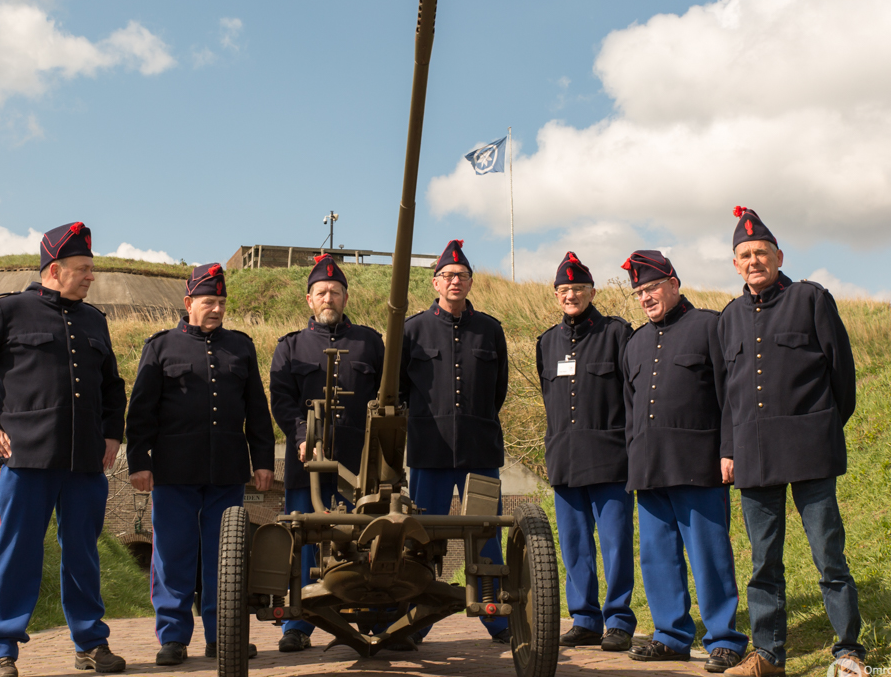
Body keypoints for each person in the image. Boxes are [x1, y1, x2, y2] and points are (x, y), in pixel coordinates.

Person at [0, 222, 127, 677]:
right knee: (17, 552)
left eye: (91, 269)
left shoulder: (94, 320)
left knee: (83, 554)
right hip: (25, 458)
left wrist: (111, 435)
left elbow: (112, 386)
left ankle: (89, 642)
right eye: (83, 269)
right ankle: (1, 650)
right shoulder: (9, 311)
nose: (90, 277)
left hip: (85, 462)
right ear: (54, 269)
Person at [717, 207, 865, 677]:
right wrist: (728, 448)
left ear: (778, 256)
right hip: (754, 456)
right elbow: (727, 396)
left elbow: (841, 373)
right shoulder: (729, 318)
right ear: (735, 264)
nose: (754, 259)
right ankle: (768, 652)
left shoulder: (810, 298)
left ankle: (847, 649)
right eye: (745, 254)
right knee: (763, 563)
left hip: (809, 449)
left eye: (761, 252)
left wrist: (821, 426)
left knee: (829, 555)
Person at [126, 263, 274, 665]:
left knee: (224, 558)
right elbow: (141, 412)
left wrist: (263, 460)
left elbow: (257, 410)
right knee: (173, 555)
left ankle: (221, 637)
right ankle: (173, 638)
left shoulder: (240, 347)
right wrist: (139, 462)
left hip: (226, 470)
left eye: (222, 302)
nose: (217, 309)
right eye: (209, 302)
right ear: (189, 302)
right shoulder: (160, 347)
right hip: (174, 470)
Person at [620, 250, 748, 672]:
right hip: (649, 466)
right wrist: (632, 460)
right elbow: (629, 409)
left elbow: (730, 395)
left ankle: (724, 639)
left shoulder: (710, 326)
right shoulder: (635, 342)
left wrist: (728, 450)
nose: (646, 297)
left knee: (709, 554)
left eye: (652, 287)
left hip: (699, 464)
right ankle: (671, 635)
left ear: (674, 283)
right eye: (639, 291)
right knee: (657, 557)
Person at [269, 254, 384, 652]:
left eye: (335, 292)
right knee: (303, 540)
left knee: (361, 541)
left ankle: (359, 618)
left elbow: (388, 397)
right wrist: (301, 434)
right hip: (308, 462)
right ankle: (299, 623)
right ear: (309, 299)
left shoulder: (370, 342)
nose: (328, 298)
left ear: (346, 297)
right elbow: (282, 401)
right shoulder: (290, 347)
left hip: (358, 462)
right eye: (321, 292)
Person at [399, 239, 509, 645]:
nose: (454, 282)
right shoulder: (413, 330)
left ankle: (497, 620)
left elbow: (498, 390)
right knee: (421, 539)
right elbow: (398, 390)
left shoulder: (490, 330)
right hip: (430, 452)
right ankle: (417, 622)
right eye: (447, 276)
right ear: (435, 283)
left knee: (486, 535)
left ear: (470, 282)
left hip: (480, 452)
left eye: (461, 276)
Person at [535, 252, 636, 651]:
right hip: (565, 457)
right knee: (574, 545)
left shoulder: (616, 334)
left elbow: (630, 394)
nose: (570, 295)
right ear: (556, 295)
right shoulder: (547, 342)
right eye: (564, 289)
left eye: (577, 288)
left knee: (614, 544)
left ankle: (619, 620)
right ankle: (585, 618)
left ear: (592, 292)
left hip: (610, 458)